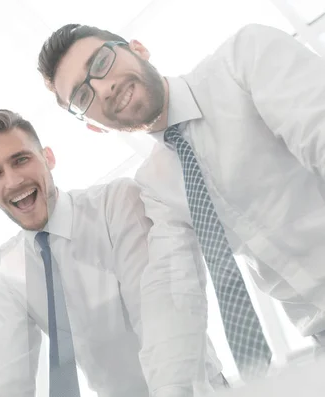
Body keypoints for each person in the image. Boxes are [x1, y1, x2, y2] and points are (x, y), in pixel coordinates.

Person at [37, 22, 325, 381]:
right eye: (83, 96)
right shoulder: (156, 184)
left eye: (101, 63)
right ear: (93, 126)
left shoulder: (242, 62)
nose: (104, 87)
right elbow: (172, 293)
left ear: (138, 49)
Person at [0, 109, 226, 397]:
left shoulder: (114, 205)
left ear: (48, 158)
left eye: (21, 160)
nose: (13, 181)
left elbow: (159, 318)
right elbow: (11, 377)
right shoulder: (6, 267)